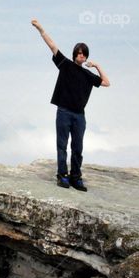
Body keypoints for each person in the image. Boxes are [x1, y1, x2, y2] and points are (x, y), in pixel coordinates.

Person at [31, 19, 110, 191]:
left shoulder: (88, 75)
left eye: (84, 54)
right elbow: (52, 46)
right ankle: (62, 176)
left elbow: (106, 82)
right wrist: (41, 29)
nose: (81, 56)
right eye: (79, 53)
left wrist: (96, 65)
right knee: (62, 145)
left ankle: (76, 177)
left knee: (78, 148)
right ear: (74, 54)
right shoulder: (65, 65)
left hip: (79, 116)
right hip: (64, 112)